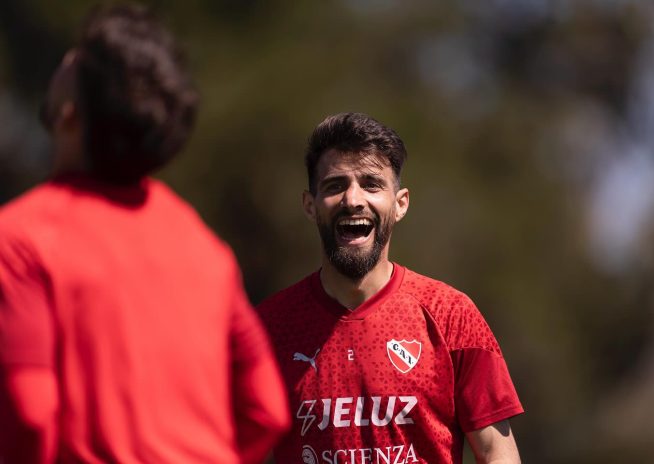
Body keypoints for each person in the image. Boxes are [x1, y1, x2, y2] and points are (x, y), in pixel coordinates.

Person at [0, 5, 289, 463]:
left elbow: (31, 414)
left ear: (69, 115)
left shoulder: (21, 239)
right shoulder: (204, 246)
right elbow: (267, 410)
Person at [257, 112, 524, 464]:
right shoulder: (268, 328)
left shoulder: (452, 316)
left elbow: (496, 453)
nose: (353, 199)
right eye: (335, 185)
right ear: (310, 205)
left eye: (371, 184)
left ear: (400, 204)